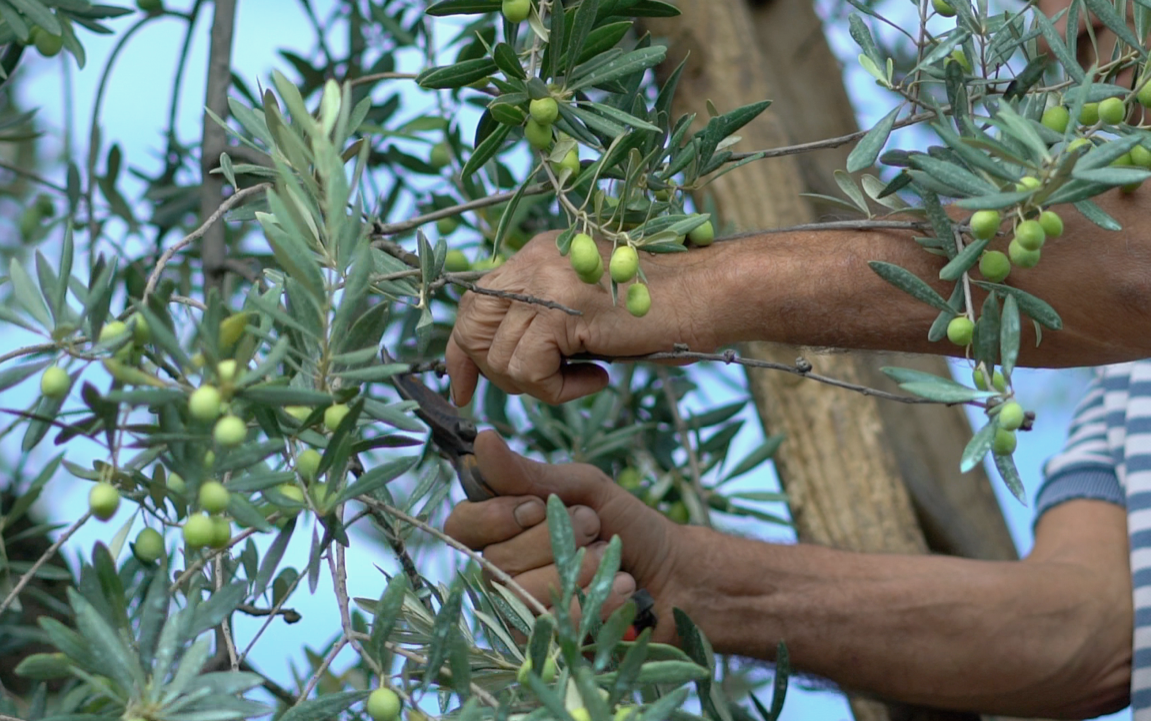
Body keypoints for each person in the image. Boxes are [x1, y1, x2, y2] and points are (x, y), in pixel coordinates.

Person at [440, 175, 1150, 715]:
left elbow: (1134, 269)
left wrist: (700, 286)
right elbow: (1081, 632)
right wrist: (692, 585)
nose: (1056, 12)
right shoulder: (1125, 385)